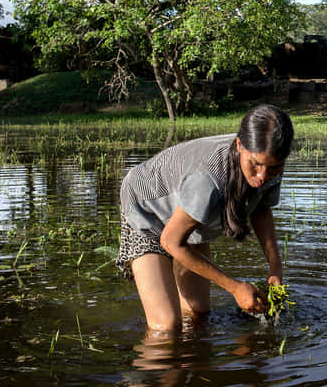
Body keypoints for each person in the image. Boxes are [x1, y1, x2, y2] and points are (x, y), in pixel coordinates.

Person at [116, 104, 293, 333]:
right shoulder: (208, 178)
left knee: (198, 314)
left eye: (273, 168)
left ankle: (194, 365)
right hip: (147, 209)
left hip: (188, 213)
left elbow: (260, 210)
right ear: (239, 145)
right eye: (255, 164)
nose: (262, 177)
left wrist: (275, 266)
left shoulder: (270, 165)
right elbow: (171, 241)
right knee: (166, 327)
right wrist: (235, 288)